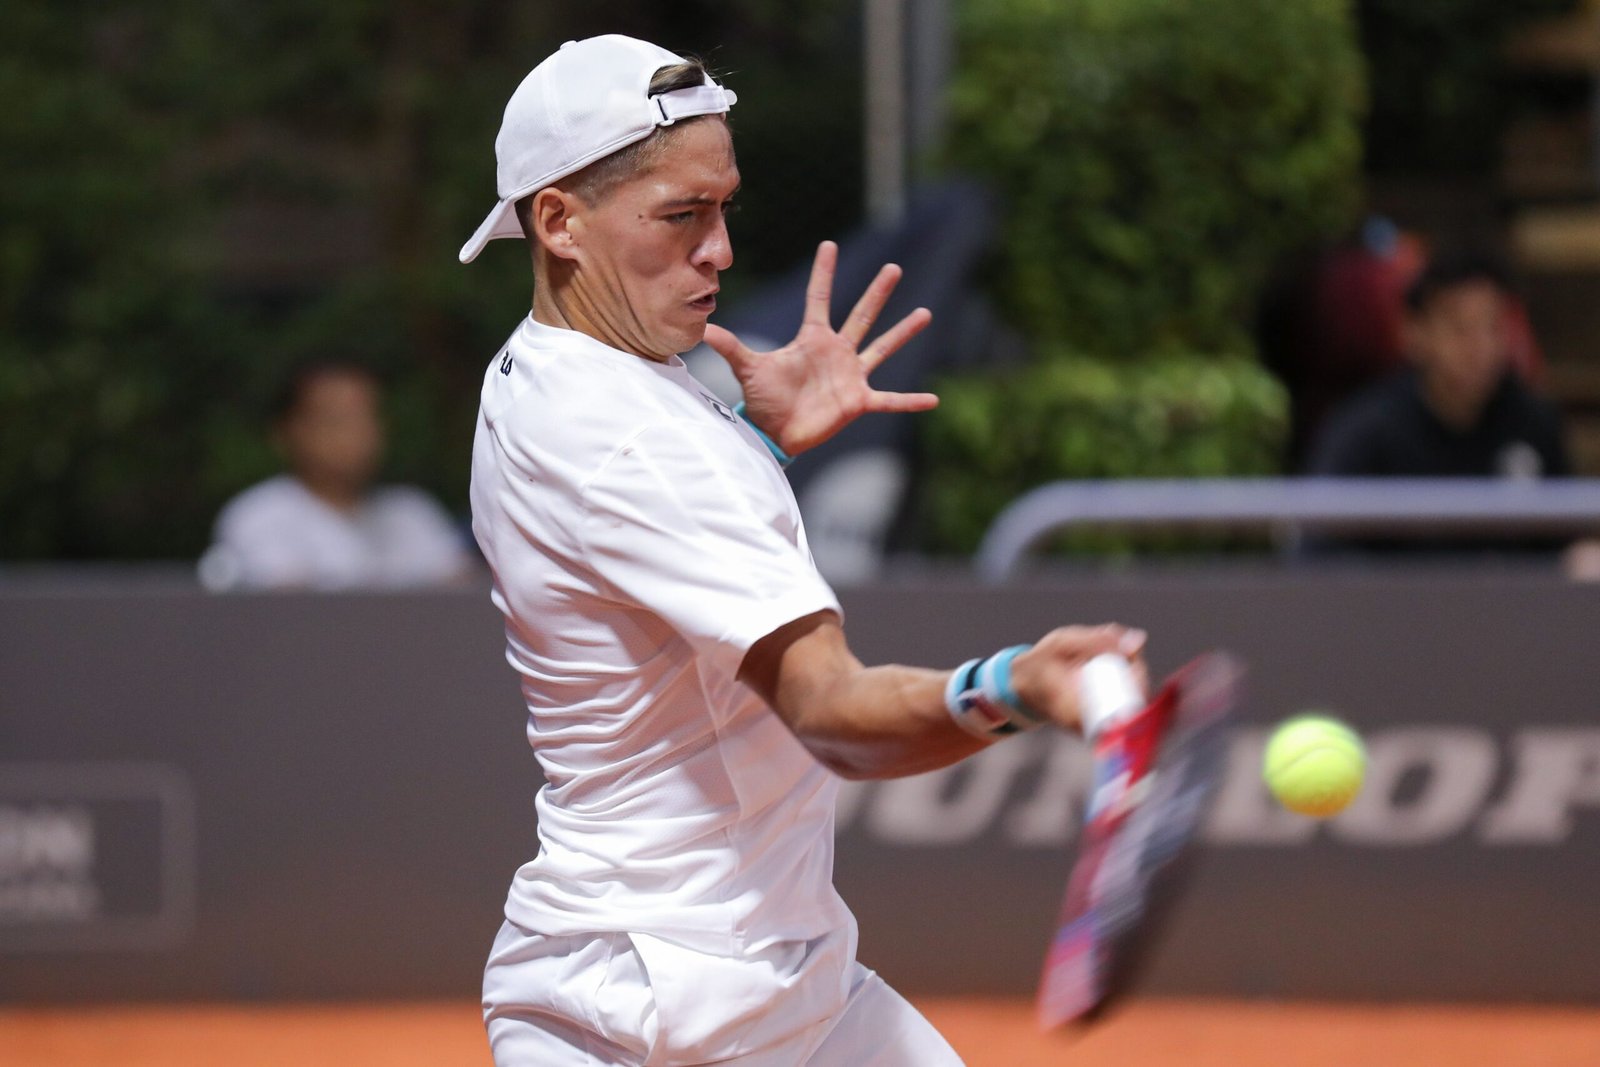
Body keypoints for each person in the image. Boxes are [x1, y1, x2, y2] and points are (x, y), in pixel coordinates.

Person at [459, 35, 1148, 1065]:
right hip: (658, 1014)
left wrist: (751, 436)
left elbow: (637, 540)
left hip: (769, 982)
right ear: (558, 221)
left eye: (723, 206)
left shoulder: (539, 370)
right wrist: (1019, 681)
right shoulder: (638, 440)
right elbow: (835, 718)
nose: (721, 248)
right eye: (680, 215)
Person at [1305, 252, 1572, 553]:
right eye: (1461, 329)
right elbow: (1319, 553)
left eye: (1494, 327)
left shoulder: (1533, 422)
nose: (1481, 348)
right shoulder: (1364, 433)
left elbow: (1564, 546)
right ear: (1414, 333)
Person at [199, 360, 474, 590]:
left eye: (366, 417)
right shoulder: (257, 516)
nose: (357, 433)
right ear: (286, 432)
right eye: (336, 420)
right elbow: (293, 616)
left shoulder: (414, 513)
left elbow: (458, 600)